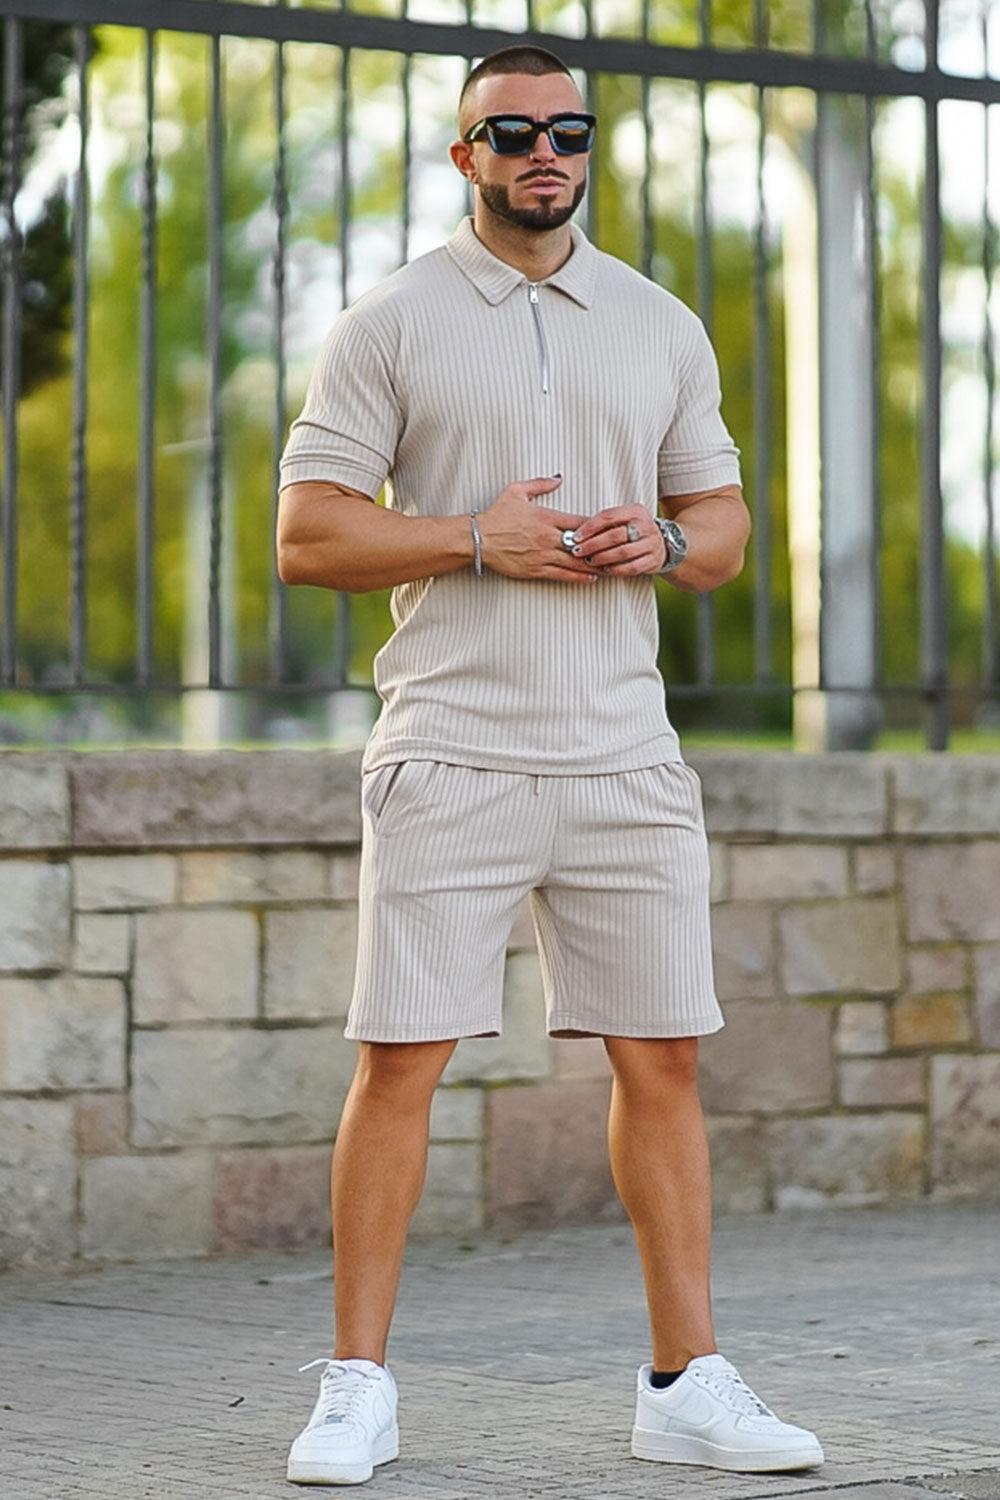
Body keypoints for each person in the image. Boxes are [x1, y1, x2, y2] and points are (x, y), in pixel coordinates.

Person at [276, 43, 824, 1488]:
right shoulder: (389, 324)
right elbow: (309, 534)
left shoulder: (660, 324)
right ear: (466, 156)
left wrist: (670, 539)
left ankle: (686, 1383)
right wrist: (474, 537)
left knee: (665, 1058)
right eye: (510, 132)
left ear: (588, 149)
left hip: (624, 754)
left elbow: (724, 526)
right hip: (450, 748)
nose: (542, 152)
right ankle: (355, 1388)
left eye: (566, 131)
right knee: (403, 1060)